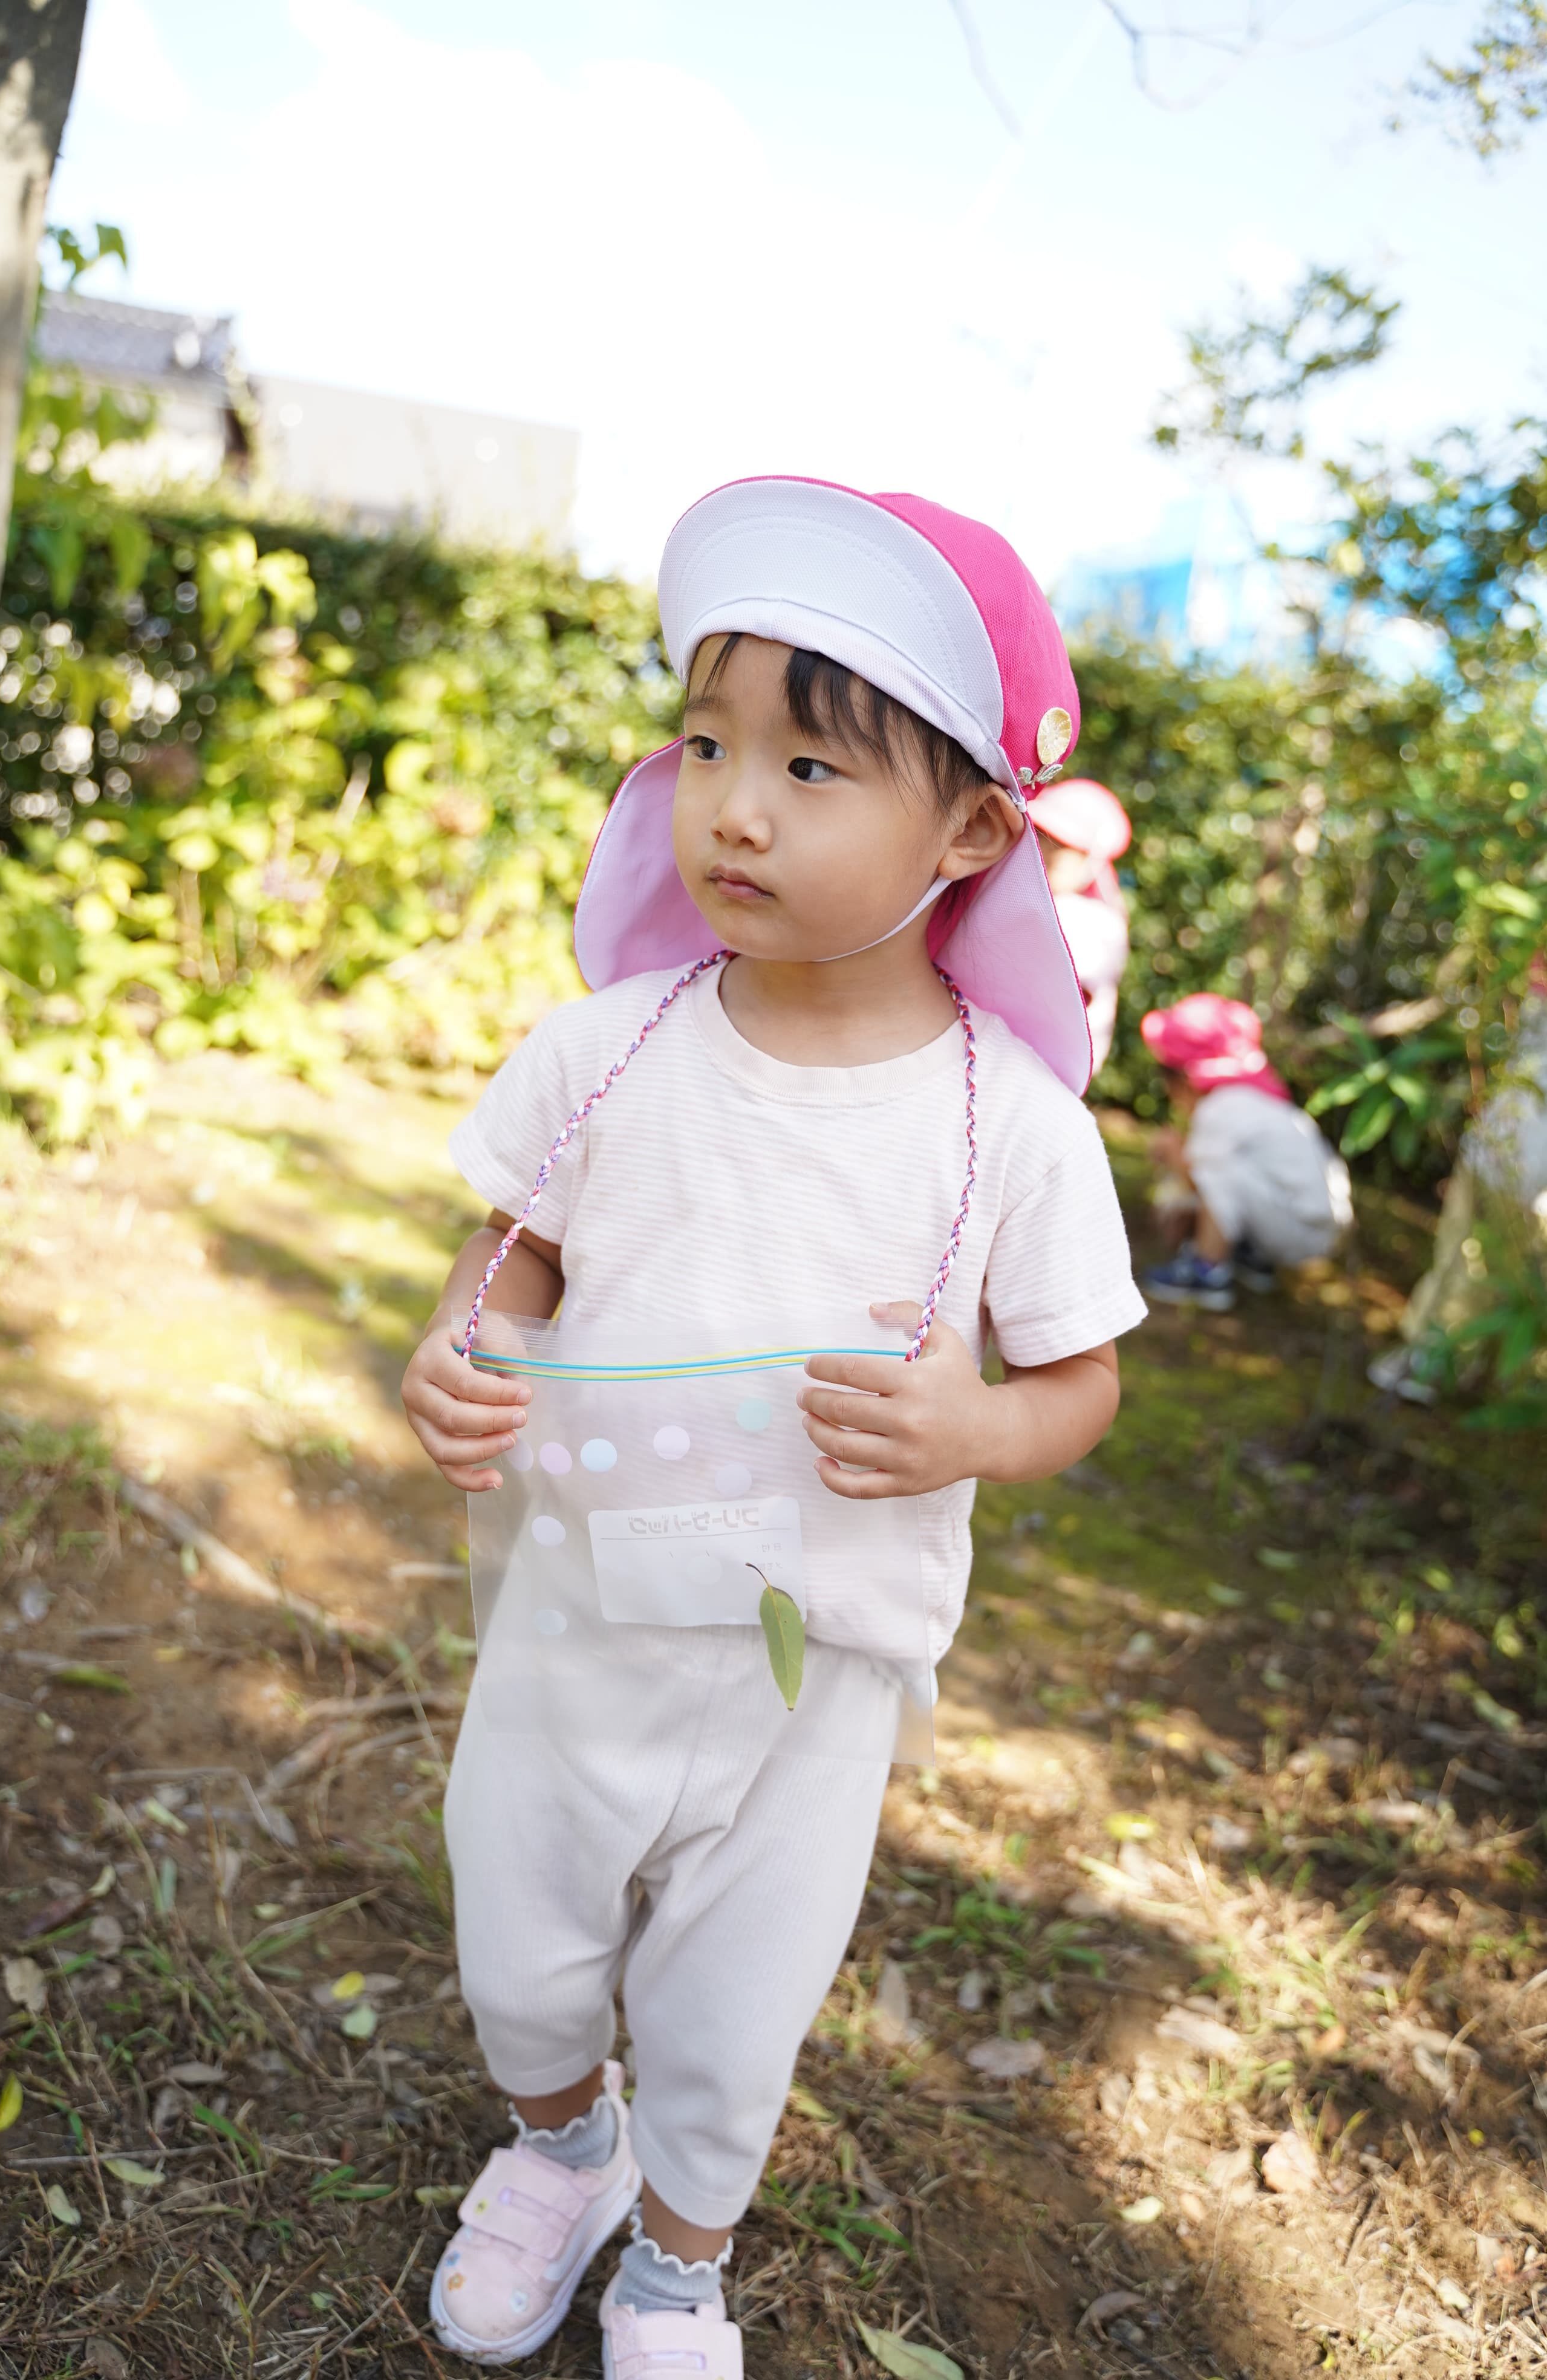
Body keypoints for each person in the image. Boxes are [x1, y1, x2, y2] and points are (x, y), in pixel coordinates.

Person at [400, 477, 1147, 2377]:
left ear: (969, 829)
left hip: (813, 1667)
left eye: (812, 767)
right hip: (576, 1619)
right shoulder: (615, 1048)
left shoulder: (1010, 1127)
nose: (734, 804)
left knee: (733, 2009)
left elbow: (1079, 1382)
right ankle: (562, 2147)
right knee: (520, 1942)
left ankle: (677, 2265)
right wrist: (470, 1341)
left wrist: (973, 1423)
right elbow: (520, 1248)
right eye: (712, 744)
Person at [1369, 957, 1547, 1402]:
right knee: (1468, 1251)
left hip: (1521, 1157)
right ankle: (1446, 1358)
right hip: (1507, 1142)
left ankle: (1442, 1361)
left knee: (1479, 1259)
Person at [1138, 992, 1352, 1312]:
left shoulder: (1222, 1108)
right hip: (1314, 1226)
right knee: (1222, 1165)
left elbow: (1202, 1184)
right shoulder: (1250, 1101)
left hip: (1301, 1233)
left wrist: (1172, 1156)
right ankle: (1250, 1256)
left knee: (1218, 1170)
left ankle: (1207, 1272)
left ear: (1184, 1077)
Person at [1028, 776, 1132, 1079]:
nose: (1046, 849)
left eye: (1063, 844)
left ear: (1090, 861)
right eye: (1041, 834)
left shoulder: (1088, 921)